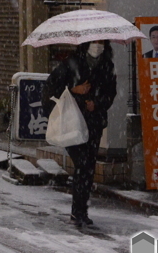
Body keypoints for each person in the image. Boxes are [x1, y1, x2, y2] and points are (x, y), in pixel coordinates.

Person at [42, 42, 117, 228]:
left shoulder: (107, 65)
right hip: (73, 123)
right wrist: (74, 91)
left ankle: (81, 211)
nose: (97, 46)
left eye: (101, 43)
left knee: (88, 167)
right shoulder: (71, 64)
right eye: (94, 42)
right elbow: (50, 89)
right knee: (82, 164)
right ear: (86, 44)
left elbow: (111, 93)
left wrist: (97, 103)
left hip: (94, 124)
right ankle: (78, 211)